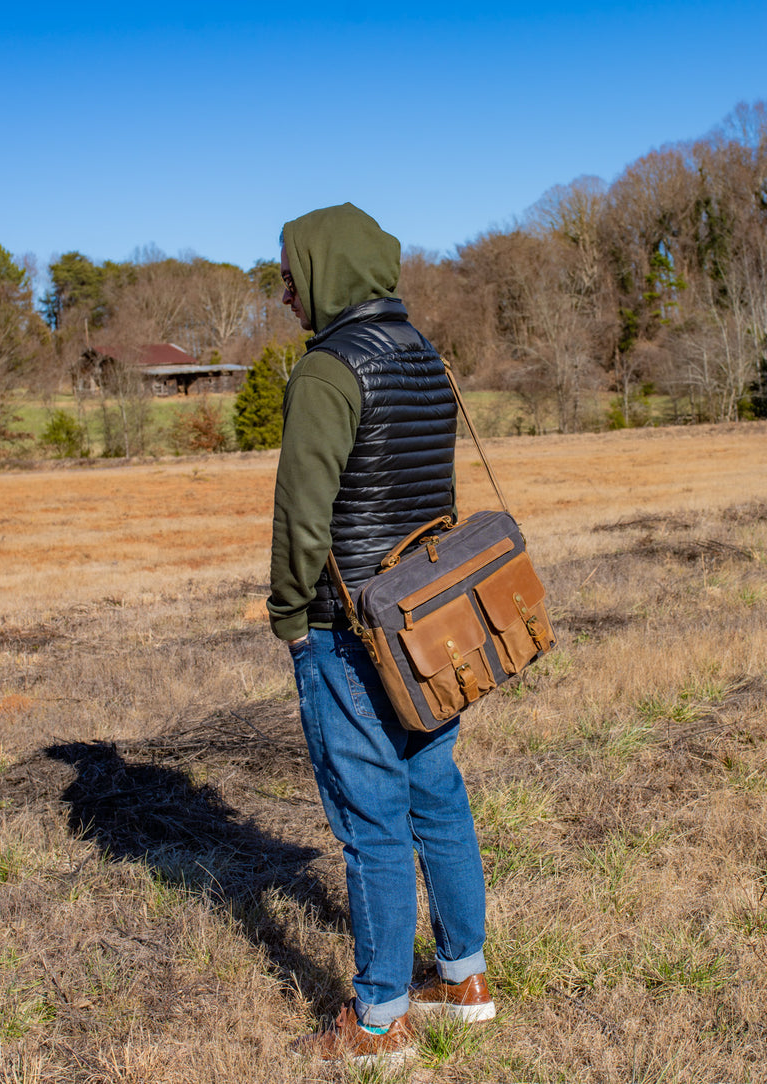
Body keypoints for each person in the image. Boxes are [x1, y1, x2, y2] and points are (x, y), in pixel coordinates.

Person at [267, 203, 494, 1065]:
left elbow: (302, 517)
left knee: (371, 819)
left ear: (326, 269)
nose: (286, 292)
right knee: (435, 790)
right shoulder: (423, 355)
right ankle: (464, 979)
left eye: (291, 273)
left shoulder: (328, 370)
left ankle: (376, 1022)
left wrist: (293, 619)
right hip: (423, 614)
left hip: (349, 623)